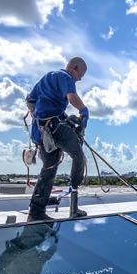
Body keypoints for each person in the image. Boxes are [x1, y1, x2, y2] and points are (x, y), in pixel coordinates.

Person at [26, 57, 89, 221]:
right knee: (78, 156)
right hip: (52, 127)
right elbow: (71, 97)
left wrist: (43, 115)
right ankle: (74, 206)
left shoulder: (46, 78)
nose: (79, 79)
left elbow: (30, 100)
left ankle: (36, 211)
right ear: (74, 68)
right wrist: (83, 109)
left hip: (41, 130)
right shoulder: (65, 77)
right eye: (80, 75)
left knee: (49, 167)